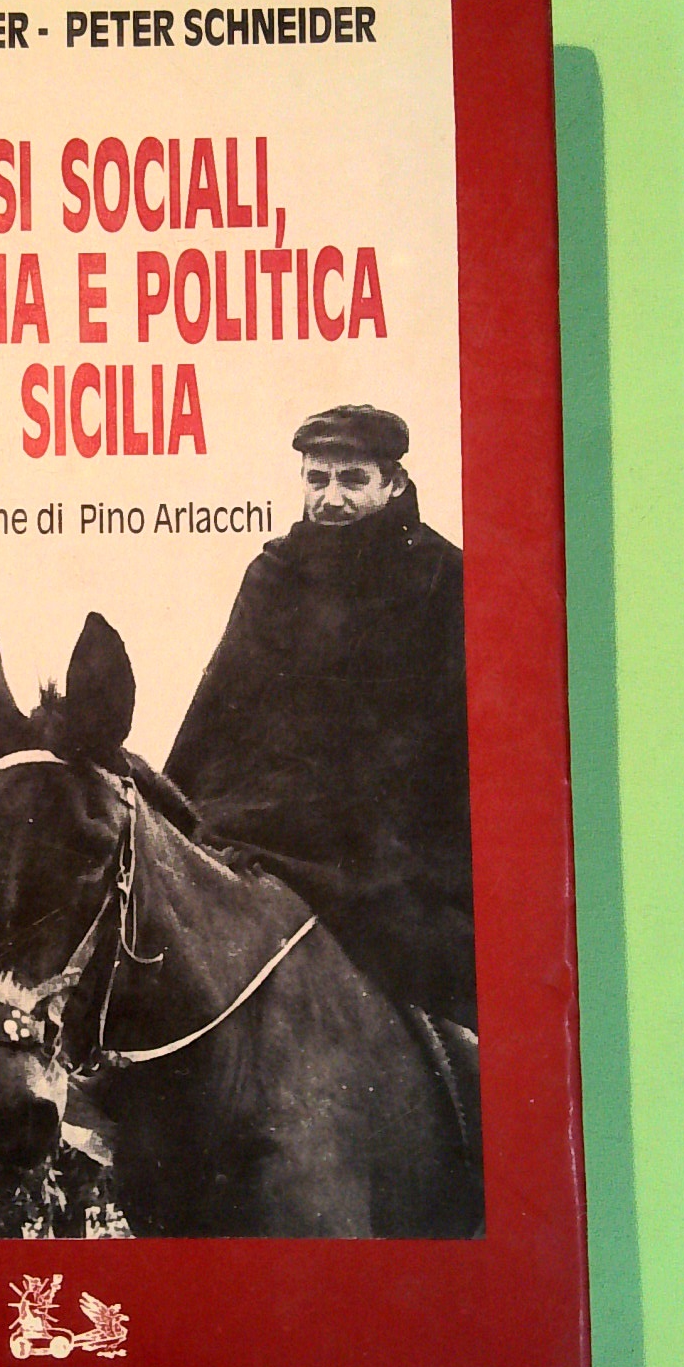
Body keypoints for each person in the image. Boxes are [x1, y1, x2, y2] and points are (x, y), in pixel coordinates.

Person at [164, 405, 476, 1029]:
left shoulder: (446, 578)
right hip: (269, 817)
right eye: (317, 478)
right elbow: (215, 705)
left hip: (392, 831)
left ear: (394, 483)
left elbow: (455, 733)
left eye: (352, 480)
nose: (331, 498)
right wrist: (171, 813)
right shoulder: (273, 575)